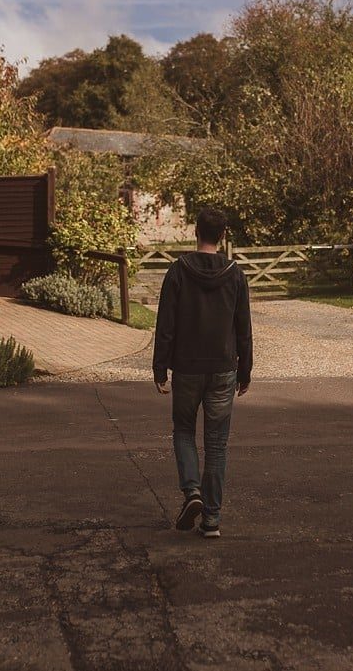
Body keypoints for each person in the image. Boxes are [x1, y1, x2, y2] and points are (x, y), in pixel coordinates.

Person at [153, 208, 253, 539]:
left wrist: (160, 368)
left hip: (186, 368)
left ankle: (192, 491)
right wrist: (245, 370)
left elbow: (165, 324)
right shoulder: (235, 274)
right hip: (223, 368)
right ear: (222, 235)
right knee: (217, 443)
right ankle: (212, 520)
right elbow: (243, 328)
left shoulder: (178, 272)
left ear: (196, 232)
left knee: (183, 430)